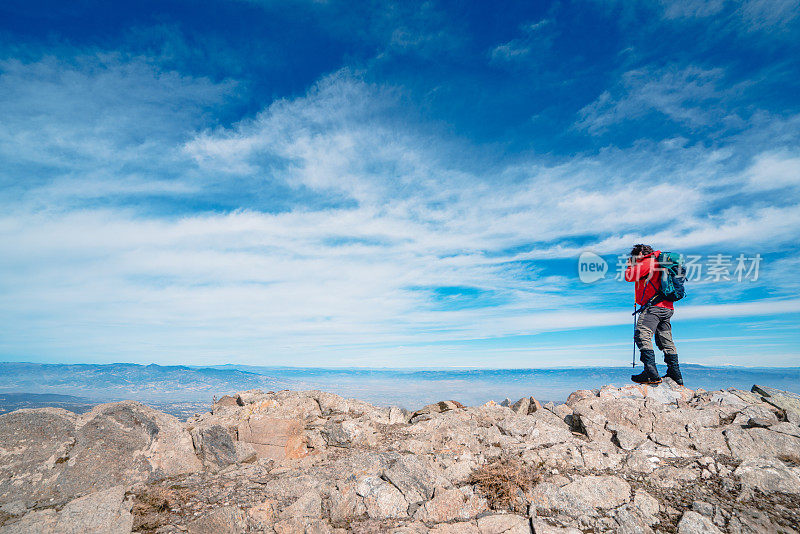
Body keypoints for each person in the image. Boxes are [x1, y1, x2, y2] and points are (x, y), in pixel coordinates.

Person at [624, 244, 683, 385]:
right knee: (665, 340)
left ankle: (651, 374)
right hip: (667, 307)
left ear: (640, 254)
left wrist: (630, 265)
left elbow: (629, 276)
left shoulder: (648, 261)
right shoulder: (661, 262)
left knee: (642, 335)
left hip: (653, 308)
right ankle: (675, 374)